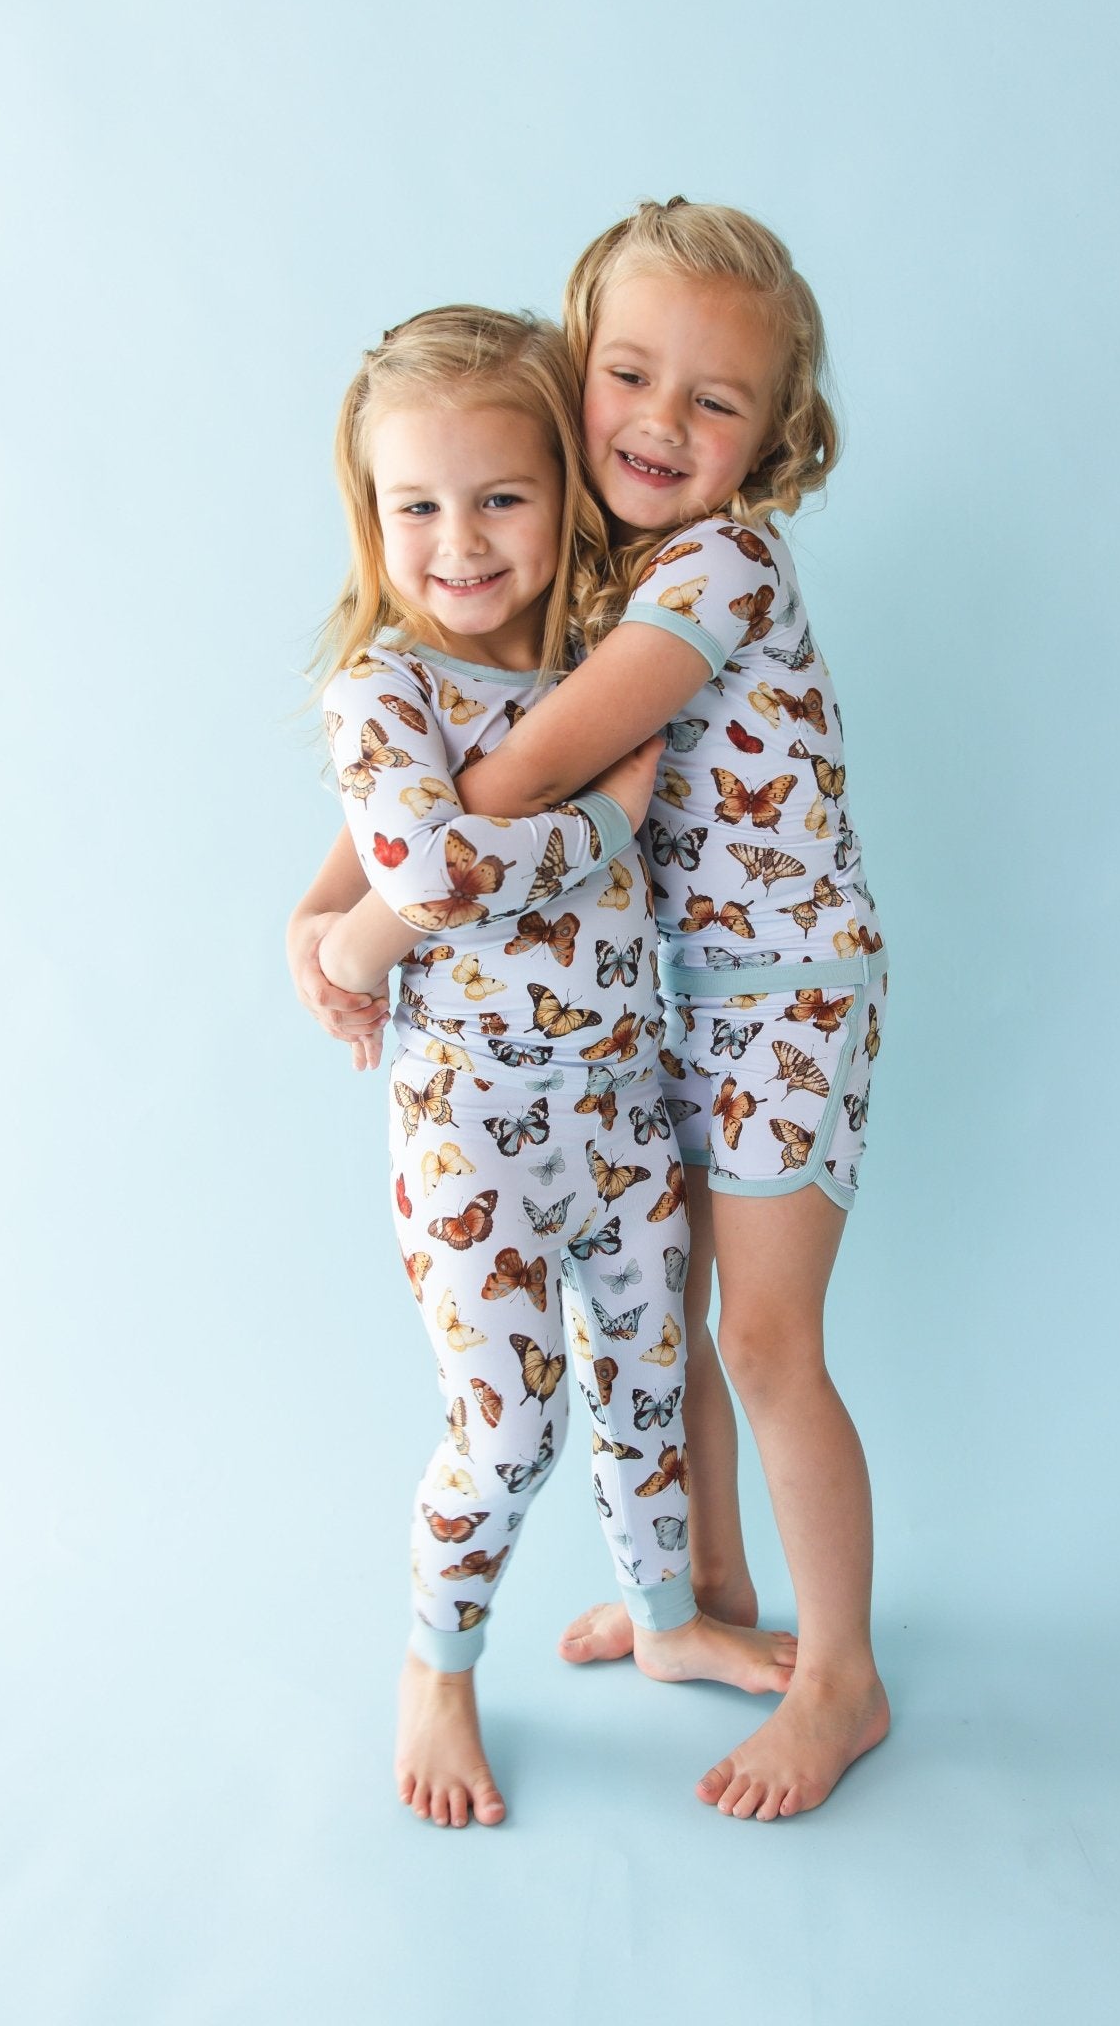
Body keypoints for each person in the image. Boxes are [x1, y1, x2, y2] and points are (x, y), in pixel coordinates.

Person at [304, 303, 796, 1830]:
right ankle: (437, 1666)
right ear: (372, 516)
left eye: (500, 496)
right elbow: (428, 875)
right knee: (508, 1431)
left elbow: (416, 882)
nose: (458, 542)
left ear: (561, 495)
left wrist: (350, 927)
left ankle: (667, 1620)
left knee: (649, 1388)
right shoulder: (382, 692)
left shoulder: (601, 666)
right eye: (416, 506)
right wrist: (598, 821)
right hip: (472, 1137)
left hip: (623, 1115)